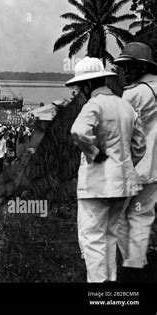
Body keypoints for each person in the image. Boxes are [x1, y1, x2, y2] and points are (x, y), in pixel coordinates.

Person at [66, 57, 146, 283]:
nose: (80, 91)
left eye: (80, 87)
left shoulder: (93, 105)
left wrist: (93, 153)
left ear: (88, 84)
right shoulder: (125, 105)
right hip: (122, 185)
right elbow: (139, 145)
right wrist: (125, 164)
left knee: (92, 240)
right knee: (110, 238)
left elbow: (79, 131)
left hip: (96, 185)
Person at [114, 42, 157, 281]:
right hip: (154, 169)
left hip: (132, 168)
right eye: (123, 67)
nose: (125, 72)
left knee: (119, 217)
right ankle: (138, 264)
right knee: (142, 216)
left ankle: (130, 268)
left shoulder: (132, 94)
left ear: (142, 67)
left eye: (129, 67)